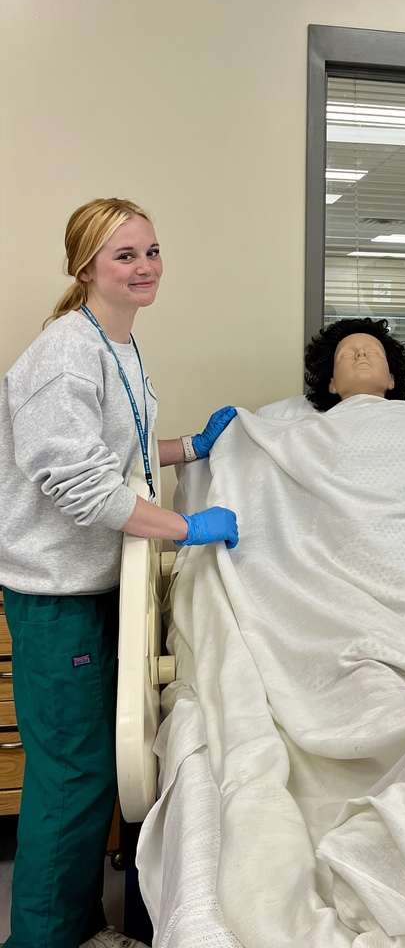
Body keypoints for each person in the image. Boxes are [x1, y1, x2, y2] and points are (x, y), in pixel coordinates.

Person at [0, 198, 240, 948]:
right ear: (85, 267)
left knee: (91, 776)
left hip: (97, 585)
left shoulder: (119, 344)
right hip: (56, 595)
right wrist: (184, 528)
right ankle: (38, 938)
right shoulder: (65, 353)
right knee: (71, 781)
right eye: (124, 256)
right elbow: (75, 481)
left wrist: (189, 448)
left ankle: (75, 925)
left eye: (152, 252)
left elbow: (114, 450)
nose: (145, 268)